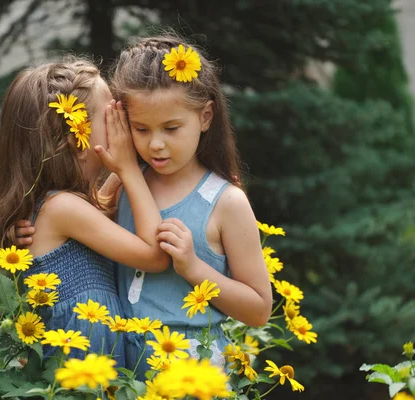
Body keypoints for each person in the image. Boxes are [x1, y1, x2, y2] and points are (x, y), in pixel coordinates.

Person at [15, 33, 272, 377]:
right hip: (123, 370)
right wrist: (24, 235)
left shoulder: (225, 202)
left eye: (171, 128)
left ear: (206, 117)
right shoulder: (125, 182)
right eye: (140, 128)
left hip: (190, 373)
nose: (156, 145)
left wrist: (195, 269)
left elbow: (259, 310)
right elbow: (83, 236)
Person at [0, 57, 170, 367]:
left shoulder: (70, 205)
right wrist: (128, 169)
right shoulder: (62, 208)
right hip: (80, 360)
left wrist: (130, 167)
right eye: (111, 112)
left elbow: (107, 202)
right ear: (77, 136)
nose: (121, 119)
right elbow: (155, 255)